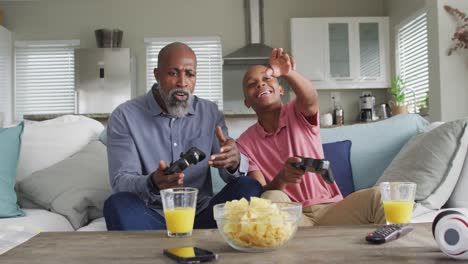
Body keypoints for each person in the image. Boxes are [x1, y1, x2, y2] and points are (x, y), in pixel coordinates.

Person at [103, 42, 263, 230]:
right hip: (151, 214)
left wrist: (233, 162)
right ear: (157, 75)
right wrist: (152, 183)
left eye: (189, 74)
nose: (182, 82)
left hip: (201, 213)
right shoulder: (125, 116)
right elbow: (121, 181)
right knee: (116, 204)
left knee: (249, 186)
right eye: (173, 73)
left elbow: (228, 173)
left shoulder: (210, 112)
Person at [236, 48, 385, 226]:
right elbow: (259, 191)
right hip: (292, 215)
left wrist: (288, 72)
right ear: (246, 101)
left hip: (331, 210)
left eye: (267, 79)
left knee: (380, 196)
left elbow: (310, 98)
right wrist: (281, 179)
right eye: (252, 84)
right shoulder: (244, 143)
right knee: (269, 197)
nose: (260, 84)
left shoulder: (297, 111)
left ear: (281, 89)